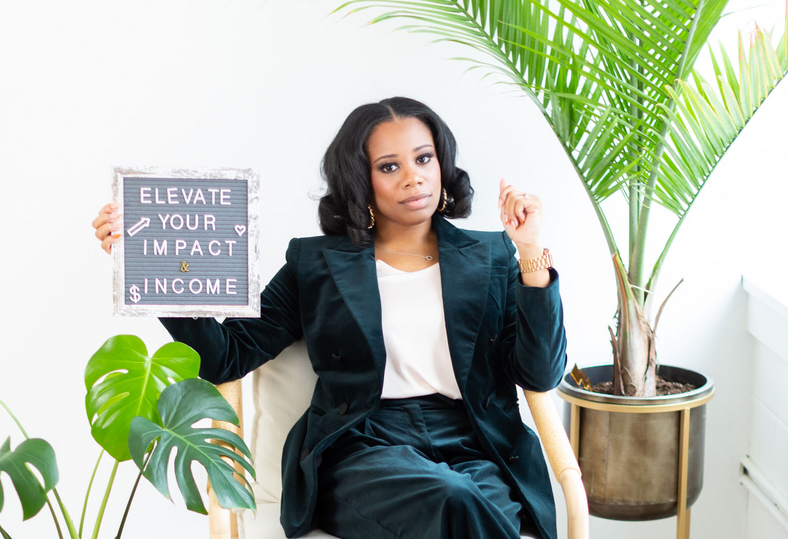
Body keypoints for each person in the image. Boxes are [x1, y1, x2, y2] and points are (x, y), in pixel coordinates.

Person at [92, 96, 567, 539]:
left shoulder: (493, 256)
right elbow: (226, 357)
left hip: (474, 444)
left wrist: (530, 255)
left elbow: (538, 372)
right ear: (361, 181)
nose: (413, 177)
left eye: (424, 158)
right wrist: (151, 264)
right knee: (456, 501)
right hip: (364, 447)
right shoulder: (316, 264)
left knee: (471, 499)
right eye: (389, 166)